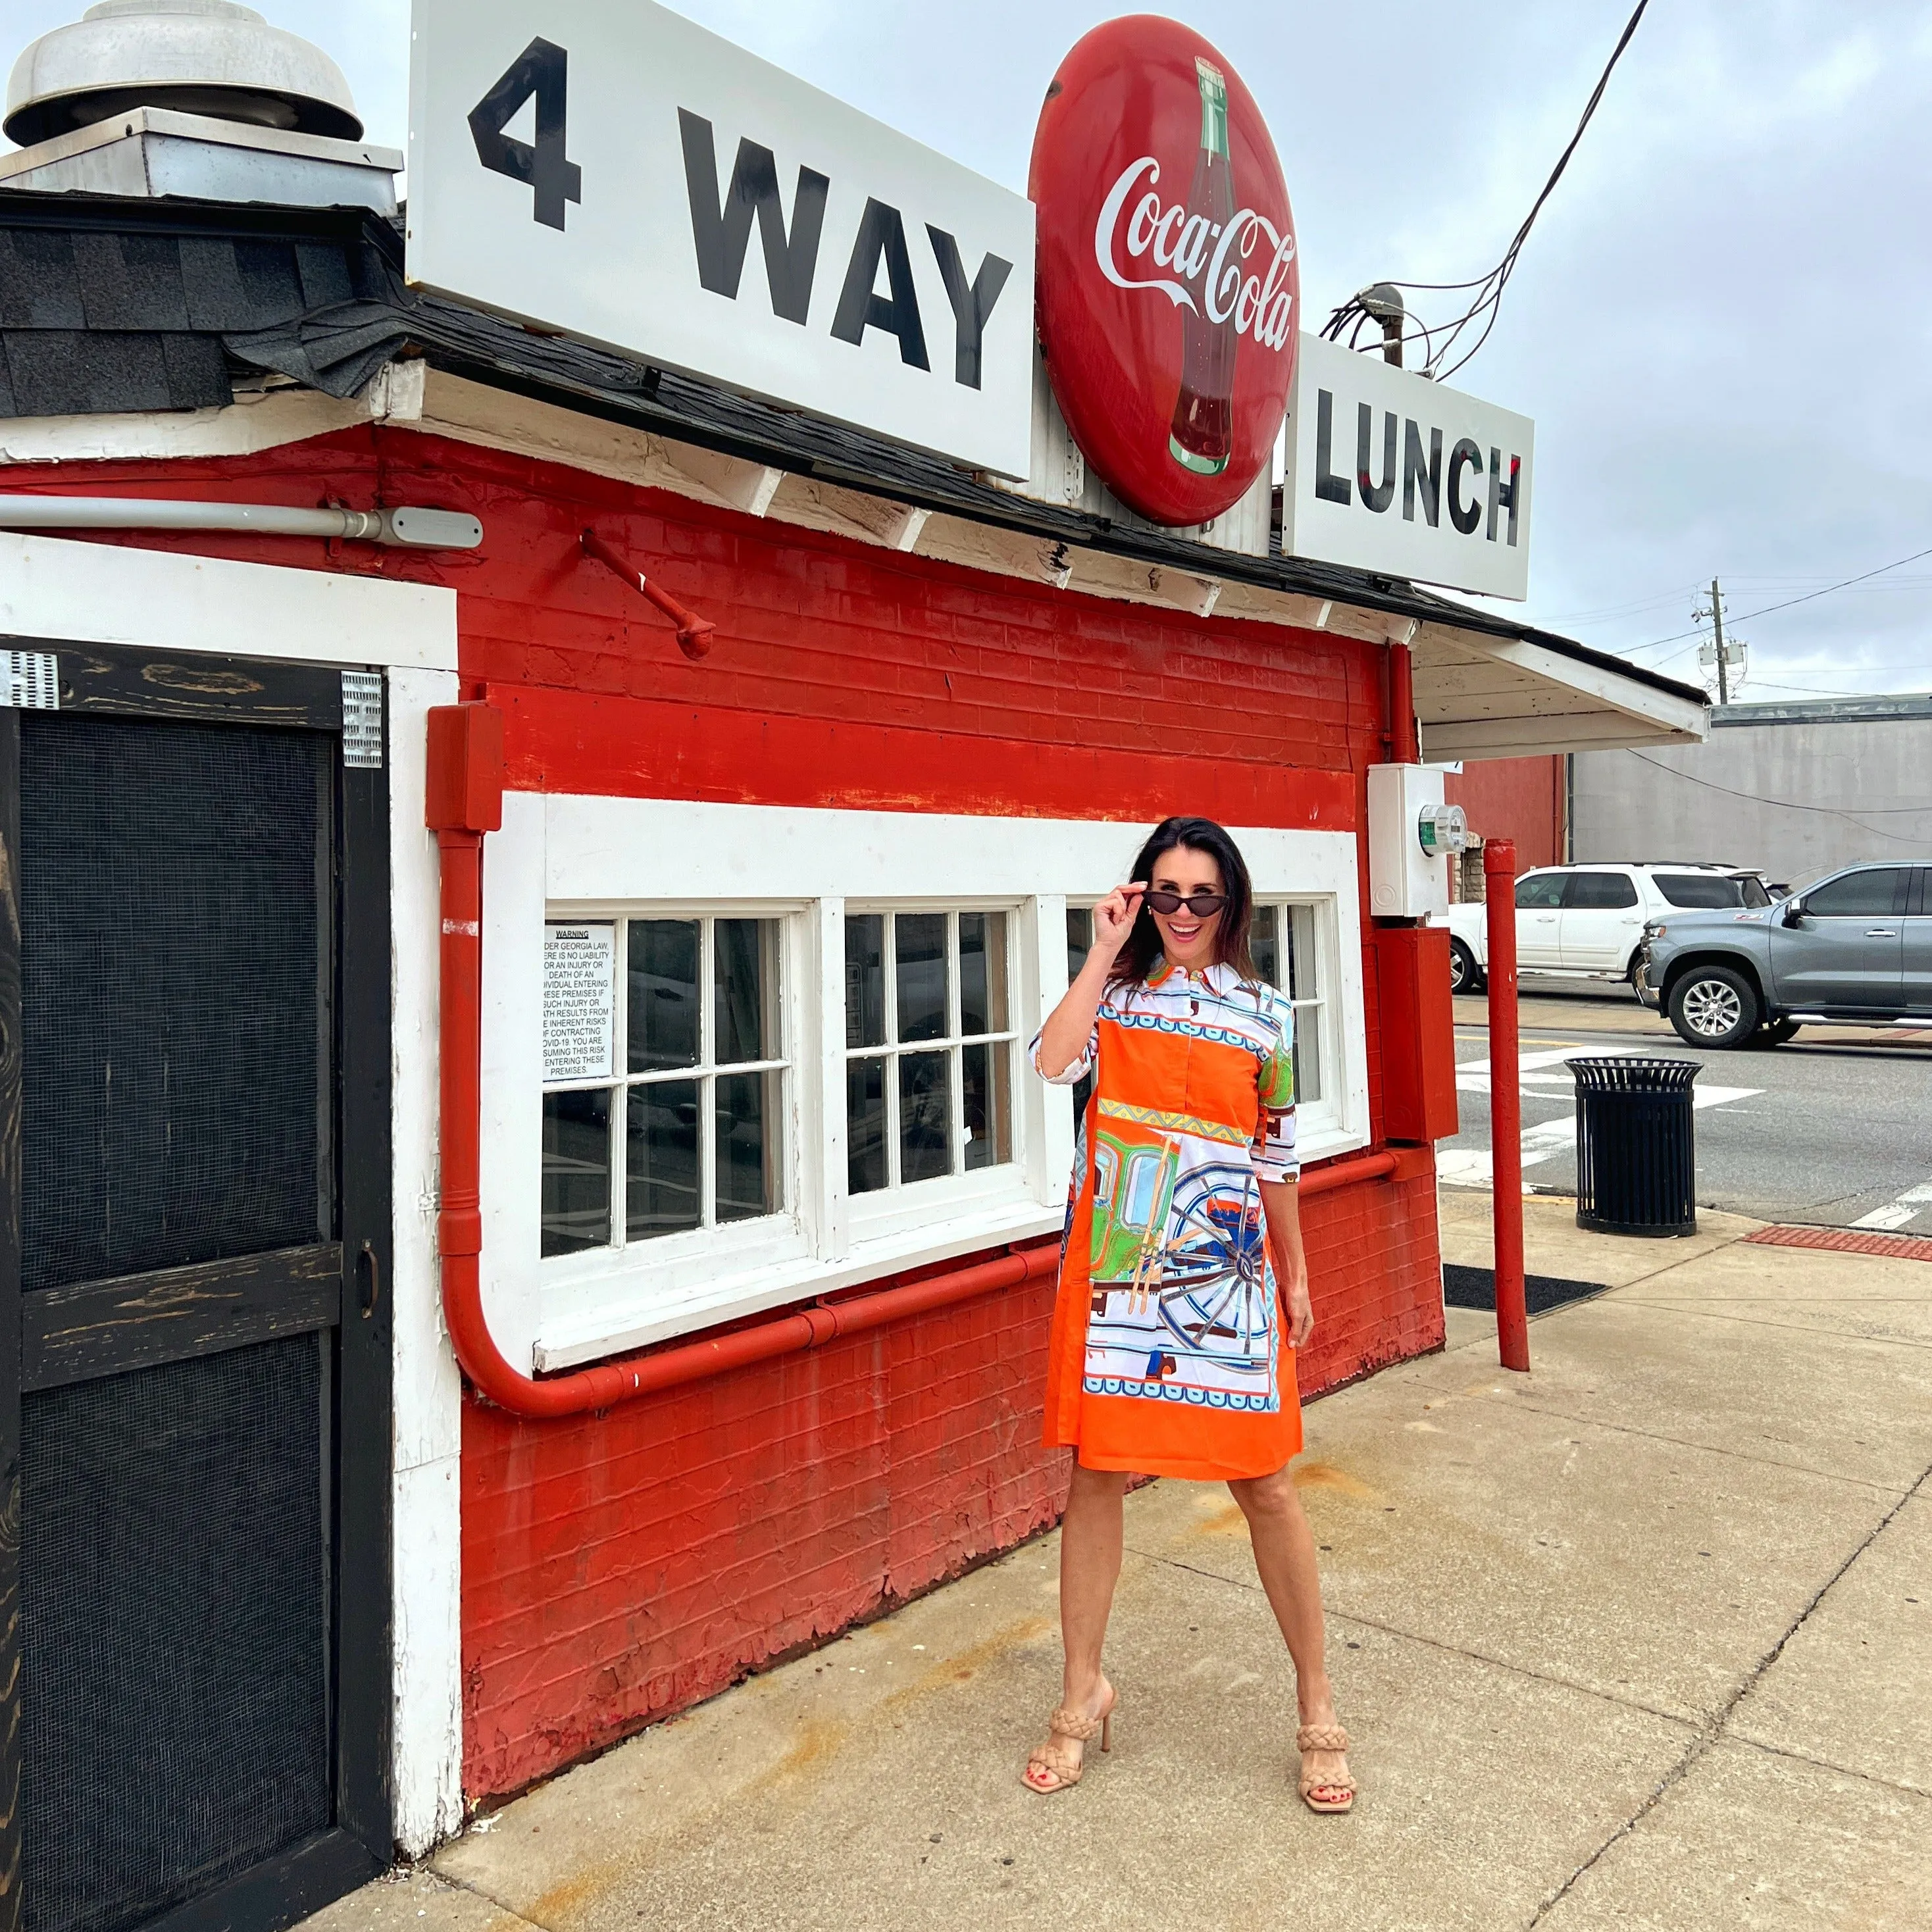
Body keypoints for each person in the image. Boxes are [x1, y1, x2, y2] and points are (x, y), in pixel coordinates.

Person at [1022, 815, 1354, 1812]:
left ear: (1231, 905)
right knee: (1097, 1478)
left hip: (1225, 1269)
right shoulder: (1117, 999)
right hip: (1122, 1264)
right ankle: (1083, 1691)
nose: (1181, 913)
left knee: (1268, 1484)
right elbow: (1050, 1062)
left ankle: (1316, 1701)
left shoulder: (1265, 1012)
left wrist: (1295, 1271)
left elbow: (1276, 1156)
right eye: (1163, 894)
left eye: (1200, 896)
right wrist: (1100, 952)